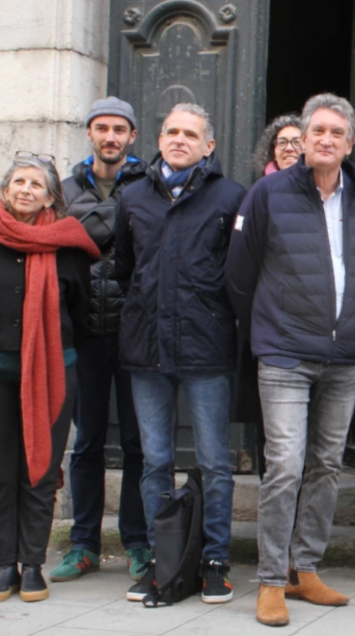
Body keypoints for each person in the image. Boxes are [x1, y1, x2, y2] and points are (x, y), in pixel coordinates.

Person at [226, 94, 355, 627]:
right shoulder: (268, 193)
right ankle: (270, 580)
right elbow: (240, 275)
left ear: (350, 143)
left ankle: (305, 569)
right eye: (318, 130)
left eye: (337, 132)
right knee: (285, 464)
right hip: (285, 354)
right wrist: (270, 329)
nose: (326, 139)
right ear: (304, 136)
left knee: (327, 466)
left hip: (344, 357)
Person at [114, 103, 247, 605]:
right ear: (159, 137)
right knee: (155, 462)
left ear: (208, 145)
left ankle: (215, 561)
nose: (179, 139)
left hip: (206, 345)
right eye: (171, 131)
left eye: (191, 134)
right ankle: (159, 561)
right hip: (146, 347)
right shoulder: (133, 198)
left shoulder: (230, 196)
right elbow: (126, 268)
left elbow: (238, 271)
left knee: (214, 462)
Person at [52, 97, 152, 585]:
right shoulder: (65, 190)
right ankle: (83, 543)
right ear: (89, 133)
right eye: (101, 128)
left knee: (138, 443)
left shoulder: (151, 187)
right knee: (87, 442)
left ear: (133, 136)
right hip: (84, 333)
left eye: (119, 129)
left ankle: (137, 541)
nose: (110, 137)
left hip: (135, 334)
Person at [0, 153, 97, 602]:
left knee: (39, 469)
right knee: (3, 470)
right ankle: (5, 563)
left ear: (51, 196)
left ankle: (33, 563)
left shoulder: (68, 246)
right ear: (5, 191)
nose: (25, 189)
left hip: (55, 372)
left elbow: (78, 311)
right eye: (17, 181)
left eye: (35, 184)